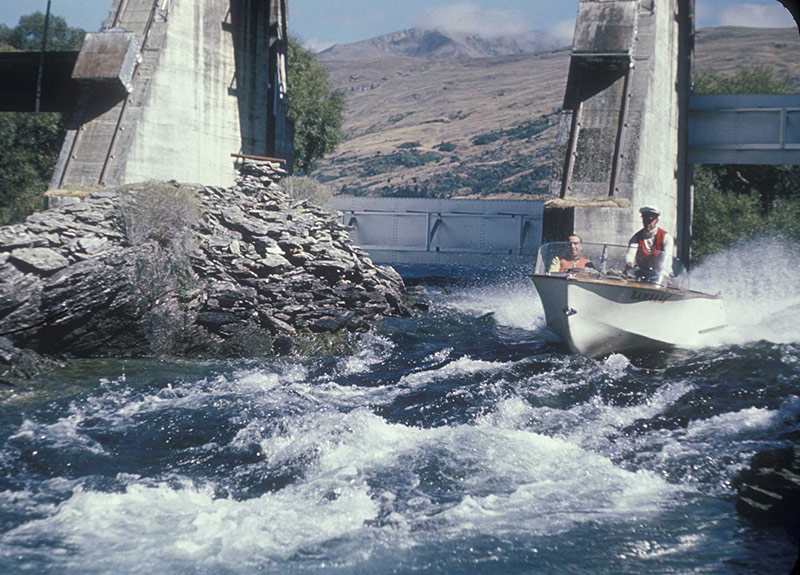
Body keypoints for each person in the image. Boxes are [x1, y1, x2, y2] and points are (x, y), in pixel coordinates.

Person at [624, 206, 674, 285]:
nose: (647, 223)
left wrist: (664, 274)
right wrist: (629, 262)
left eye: (650, 220)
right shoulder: (636, 237)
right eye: (645, 220)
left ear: (656, 220)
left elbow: (668, 259)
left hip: (661, 274)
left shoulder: (666, 238)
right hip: (642, 274)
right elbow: (630, 253)